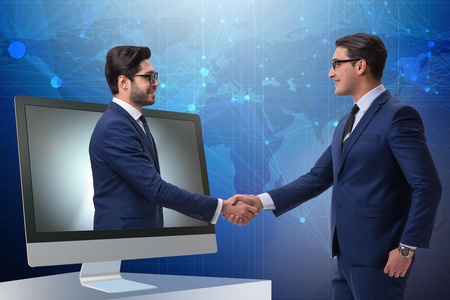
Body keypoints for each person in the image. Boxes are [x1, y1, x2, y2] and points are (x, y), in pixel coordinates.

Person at [230, 33, 442, 299]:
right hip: (344, 257)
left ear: (360, 65)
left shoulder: (398, 116)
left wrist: (406, 249)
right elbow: (317, 177)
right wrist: (259, 201)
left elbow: (428, 186)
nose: (331, 73)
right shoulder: (346, 122)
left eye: (336, 64)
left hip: (381, 260)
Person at [89, 45, 258, 230]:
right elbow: (156, 189)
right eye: (149, 77)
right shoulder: (115, 127)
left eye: (156, 76)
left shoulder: (134, 121)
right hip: (119, 244)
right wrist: (222, 207)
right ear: (124, 82)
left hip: (138, 240)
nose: (156, 83)